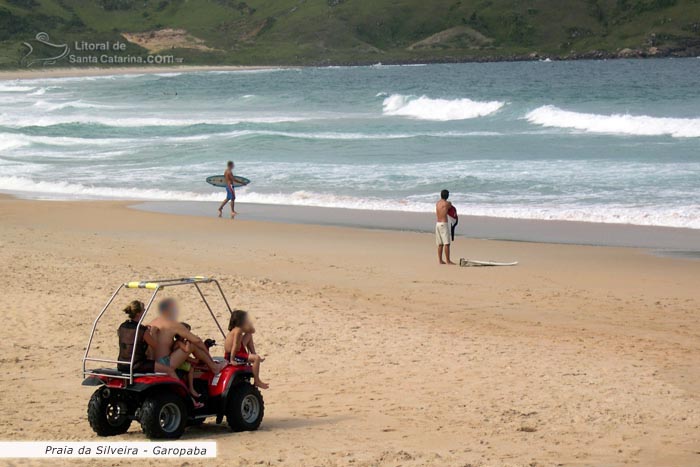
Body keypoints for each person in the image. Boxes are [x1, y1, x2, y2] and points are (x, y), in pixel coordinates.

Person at [148, 298, 227, 375]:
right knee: (192, 344)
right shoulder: (172, 324)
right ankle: (214, 367)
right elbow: (197, 341)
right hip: (164, 363)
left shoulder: (153, 322)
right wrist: (209, 356)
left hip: (152, 362)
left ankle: (204, 365)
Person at [117, 300, 176, 378]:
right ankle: (185, 390)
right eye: (143, 309)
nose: (145, 311)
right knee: (170, 370)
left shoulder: (122, 326)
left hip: (122, 364)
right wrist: (153, 332)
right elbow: (155, 346)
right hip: (137, 364)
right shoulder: (141, 330)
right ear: (138, 313)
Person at [224, 310, 268, 389]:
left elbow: (252, 331)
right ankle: (257, 380)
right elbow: (235, 345)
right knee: (256, 359)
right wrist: (232, 359)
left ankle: (253, 353)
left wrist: (249, 325)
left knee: (249, 334)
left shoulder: (237, 329)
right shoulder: (238, 331)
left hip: (237, 350)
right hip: (234, 354)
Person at [173, 322, 202, 402]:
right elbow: (187, 350)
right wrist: (189, 341)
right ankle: (191, 388)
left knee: (192, 364)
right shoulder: (178, 343)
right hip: (177, 364)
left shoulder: (177, 342)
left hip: (178, 361)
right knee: (191, 368)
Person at [435, 189, 455, 265]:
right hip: (443, 224)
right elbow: (450, 206)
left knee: (440, 244)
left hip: (437, 224)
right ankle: (448, 261)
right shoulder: (447, 203)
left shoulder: (437, 203)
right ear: (447, 196)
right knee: (447, 243)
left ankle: (440, 260)